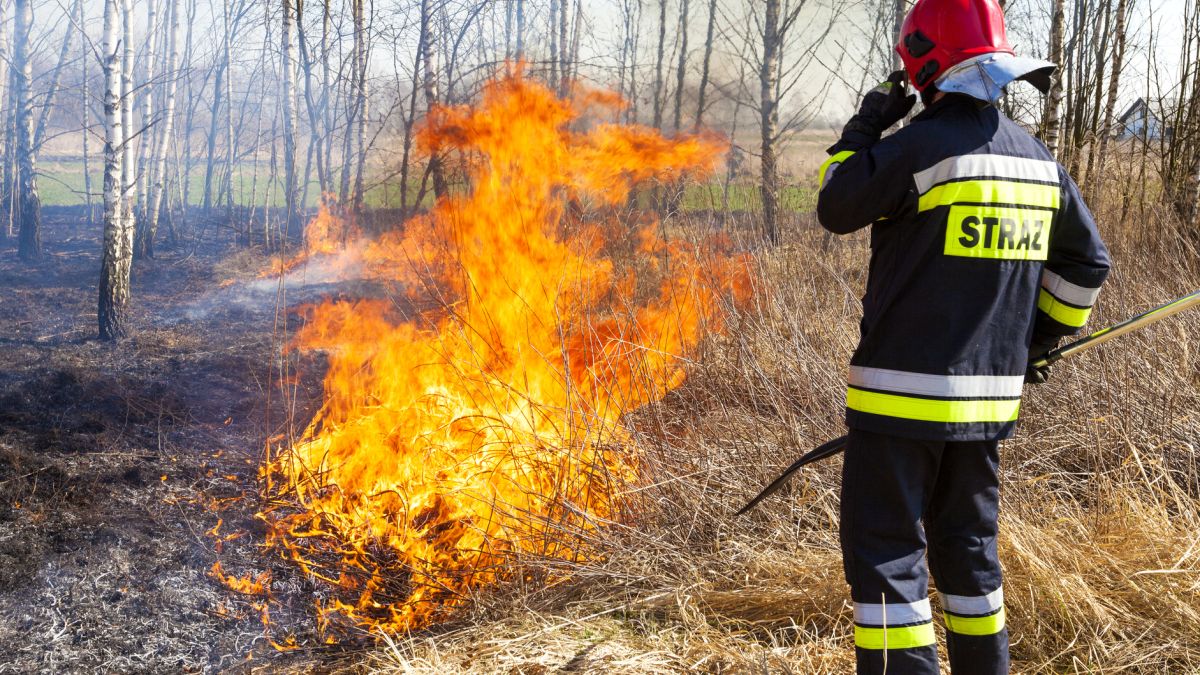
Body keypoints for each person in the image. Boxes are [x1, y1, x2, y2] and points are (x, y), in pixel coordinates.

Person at [815, 0, 1111, 673]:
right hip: (986, 412)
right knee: (969, 552)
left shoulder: (915, 149)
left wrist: (863, 130)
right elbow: (1088, 262)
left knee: (888, 557)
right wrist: (1041, 341)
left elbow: (836, 204)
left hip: (900, 405)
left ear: (924, 63)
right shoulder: (1038, 161)